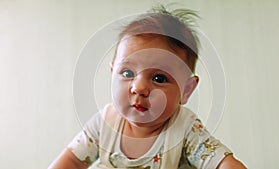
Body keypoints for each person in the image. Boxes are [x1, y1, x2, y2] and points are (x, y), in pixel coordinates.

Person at [49, 5, 246, 169]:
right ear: (112, 73)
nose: (140, 87)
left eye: (159, 78)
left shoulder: (185, 129)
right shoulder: (103, 124)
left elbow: (224, 164)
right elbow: (71, 162)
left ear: (186, 91)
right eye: (127, 73)